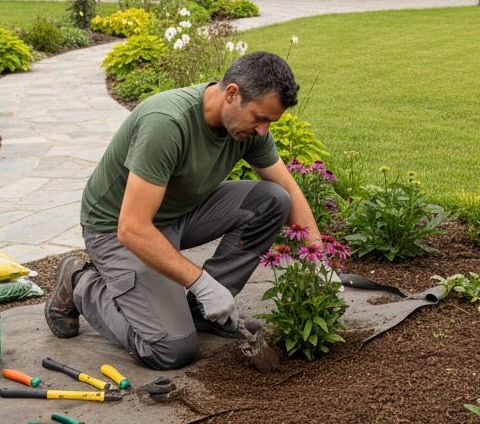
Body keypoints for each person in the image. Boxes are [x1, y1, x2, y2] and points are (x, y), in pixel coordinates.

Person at [45, 51, 322, 369]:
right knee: (171, 350)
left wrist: (320, 259)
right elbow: (132, 228)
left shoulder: (248, 129)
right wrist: (200, 281)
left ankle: (201, 311)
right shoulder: (167, 123)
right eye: (260, 118)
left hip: (179, 213)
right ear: (231, 93)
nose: (263, 130)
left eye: (269, 122)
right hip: (116, 229)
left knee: (273, 199)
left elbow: (287, 188)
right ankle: (80, 282)